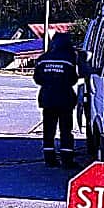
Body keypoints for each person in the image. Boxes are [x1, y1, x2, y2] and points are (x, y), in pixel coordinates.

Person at [33, 33, 79, 168]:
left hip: (47, 99)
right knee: (66, 130)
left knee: (48, 130)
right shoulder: (69, 59)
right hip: (65, 99)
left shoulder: (43, 59)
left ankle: (49, 159)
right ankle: (67, 160)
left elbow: (37, 79)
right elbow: (73, 79)